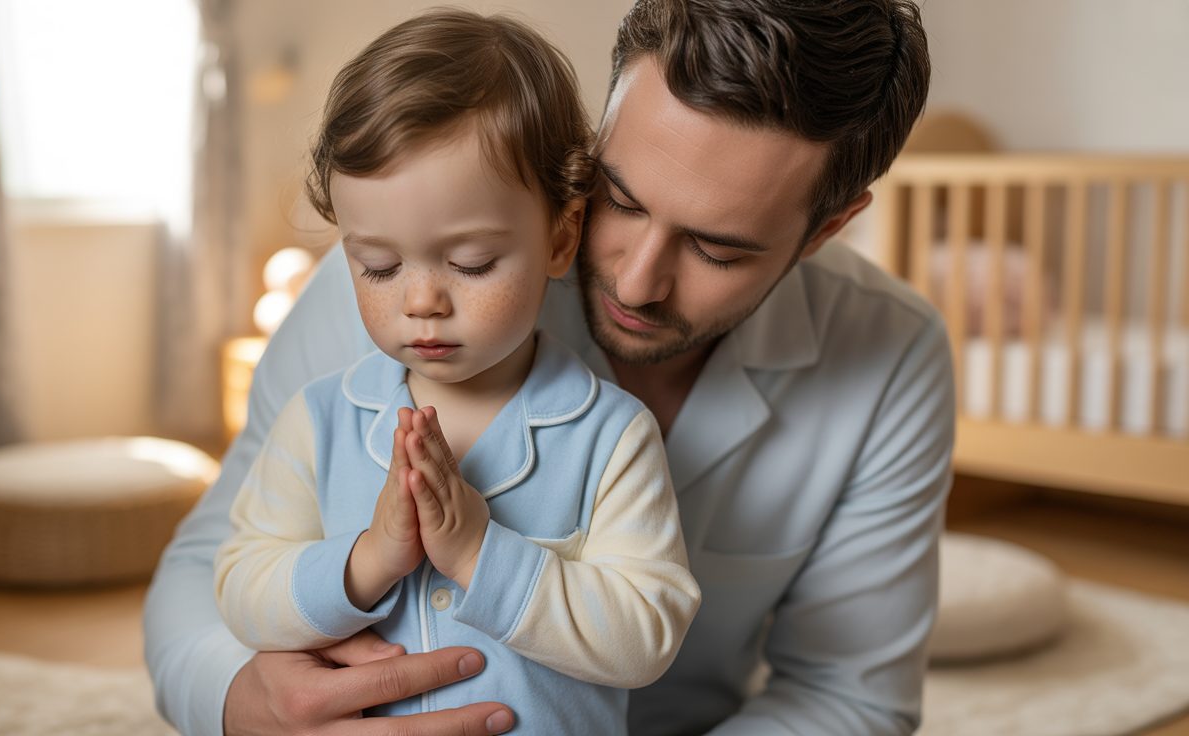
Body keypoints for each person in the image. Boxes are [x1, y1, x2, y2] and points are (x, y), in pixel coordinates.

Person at [144, 0, 952, 734]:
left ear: (826, 229)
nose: (637, 280)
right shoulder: (399, 279)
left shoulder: (892, 355)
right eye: (621, 199)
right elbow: (207, 569)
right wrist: (241, 703)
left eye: (717, 248)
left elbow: (848, 698)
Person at [211, 9, 700, 735]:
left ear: (561, 238)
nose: (420, 301)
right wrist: (367, 561)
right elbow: (241, 587)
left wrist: (478, 550)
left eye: (470, 263)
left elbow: (647, 632)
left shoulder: (611, 436)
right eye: (377, 265)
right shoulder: (319, 422)